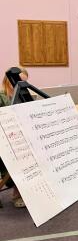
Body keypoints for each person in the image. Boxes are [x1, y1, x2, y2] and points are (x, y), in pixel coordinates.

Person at [0, 66, 29, 208]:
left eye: (24, 84)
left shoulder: (22, 98)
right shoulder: (1, 97)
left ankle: (22, 193)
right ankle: (16, 192)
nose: (20, 87)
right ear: (8, 81)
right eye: (17, 83)